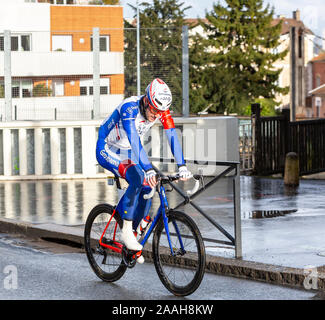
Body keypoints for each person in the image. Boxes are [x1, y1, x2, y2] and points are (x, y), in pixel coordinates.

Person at [96, 78, 192, 263]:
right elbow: (133, 140)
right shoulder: (129, 108)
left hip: (128, 152)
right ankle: (126, 232)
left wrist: (182, 166)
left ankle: (133, 231)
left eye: (160, 112)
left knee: (149, 187)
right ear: (147, 101)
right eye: (154, 111)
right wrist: (147, 168)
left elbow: (172, 136)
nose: (156, 116)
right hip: (108, 148)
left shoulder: (160, 110)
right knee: (138, 178)